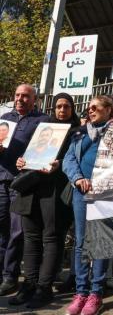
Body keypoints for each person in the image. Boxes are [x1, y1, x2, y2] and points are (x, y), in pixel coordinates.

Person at [8, 93, 80, 309]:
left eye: (66, 107)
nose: (62, 110)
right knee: (31, 239)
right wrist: (22, 161)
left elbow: (75, 161)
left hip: (55, 192)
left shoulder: (77, 132)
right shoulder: (44, 129)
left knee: (51, 239)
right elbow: (29, 153)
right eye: (58, 106)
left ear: (72, 109)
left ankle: (44, 287)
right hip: (32, 191)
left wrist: (60, 165)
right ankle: (28, 285)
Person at [63, 95, 113, 315]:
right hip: (81, 194)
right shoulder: (79, 133)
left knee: (102, 242)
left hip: (105, 194)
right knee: (81, 242)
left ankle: (96, 293)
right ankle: (81, 292)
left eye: (96, 107)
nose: (91, 110)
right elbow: (69, 160)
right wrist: (77, 178)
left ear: (108, 110)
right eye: (89, 108)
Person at [0, 84, 49, 296]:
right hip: (1, 179)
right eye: (17, 95)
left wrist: (28, 160)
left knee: (16, 231)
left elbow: (45, 150)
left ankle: (10, 276)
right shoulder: (4, 118)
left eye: (25, 96)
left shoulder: (43, 121)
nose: (20, 99)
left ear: (34, 99)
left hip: (22, 184)